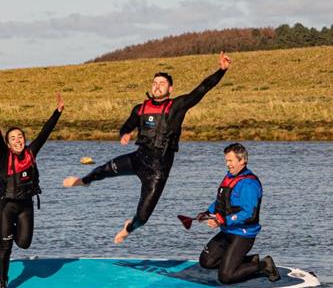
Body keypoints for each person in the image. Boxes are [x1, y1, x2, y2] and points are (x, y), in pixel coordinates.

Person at [63, 51, 231, 244]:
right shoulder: (140, 109)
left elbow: (202, 89)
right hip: (138, 158)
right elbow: (126, 125)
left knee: (142, 218)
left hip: (158, 171)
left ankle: (128, 228)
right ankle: (84, 181)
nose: (157, 86)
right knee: (104, 169)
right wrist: (125, 133)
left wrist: (222, 70)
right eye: (154, 83)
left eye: (162, 83)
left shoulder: (177, 106)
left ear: (170, 89)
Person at [0, 93, 64, 288]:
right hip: (6, 205)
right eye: (13, 138)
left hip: (25, 206)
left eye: (20, 137)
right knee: (6, 247)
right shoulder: (4, 155)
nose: (18, 140)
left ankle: (5, 226)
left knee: (25, 243)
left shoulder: (31, 152)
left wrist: (57, 112)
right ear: (8, 144)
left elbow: (45, 133)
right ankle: (2, 283)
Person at [197, 143, 280, 284]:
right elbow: (222, 201)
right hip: (228, 231)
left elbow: (249, 214)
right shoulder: (230, 177)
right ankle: (248, 260)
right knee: (206, 261)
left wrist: (221, 221)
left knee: (226, 277)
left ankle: (264, 265)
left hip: (243, 235)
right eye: (226, 160)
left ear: (242, 161)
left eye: (230, 161)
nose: (227, 164)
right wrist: (207, 212)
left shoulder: (249, 184)